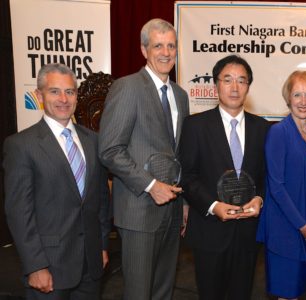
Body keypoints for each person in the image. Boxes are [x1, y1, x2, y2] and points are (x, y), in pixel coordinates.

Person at [98, 18, 189, 299]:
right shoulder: (128, 87)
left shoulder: (180, 95)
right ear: (143, 49)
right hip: (139, 209)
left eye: (171, 45)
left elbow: (179, 154)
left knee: (164, 290)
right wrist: (151, 185)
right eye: (158, 45)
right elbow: (110, 149)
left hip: (172, 211)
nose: (165, 52)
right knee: (139, 293)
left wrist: (184, 203)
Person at [3, 63, 110, 298]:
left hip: (91, 266)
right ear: (40, 95)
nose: (63, 99)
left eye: (70, 92)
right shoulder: (21, 145)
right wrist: (35, 265)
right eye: (54, 91)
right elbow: (19, 212)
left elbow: (100, 199)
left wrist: (102, 245)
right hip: (49, 268)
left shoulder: (93, 140)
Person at [179, 54, 270, 300]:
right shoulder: (195, 126)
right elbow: (186, 176)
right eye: (227, 79)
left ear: (248, 87)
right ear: (216, 84)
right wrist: (213, 205)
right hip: (210, 230)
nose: (234, 87)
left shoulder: (263, 128)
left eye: (242, 81)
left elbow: (266, 175)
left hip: (248, 233)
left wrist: (259, 199)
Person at [256, 71, 306, 299]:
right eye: (297, 95)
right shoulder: (278, 132)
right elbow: (276, 186)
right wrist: (302, 226)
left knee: (298, 292)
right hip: (286, 228)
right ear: (288, 98)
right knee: (287, 293)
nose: (303, 101)